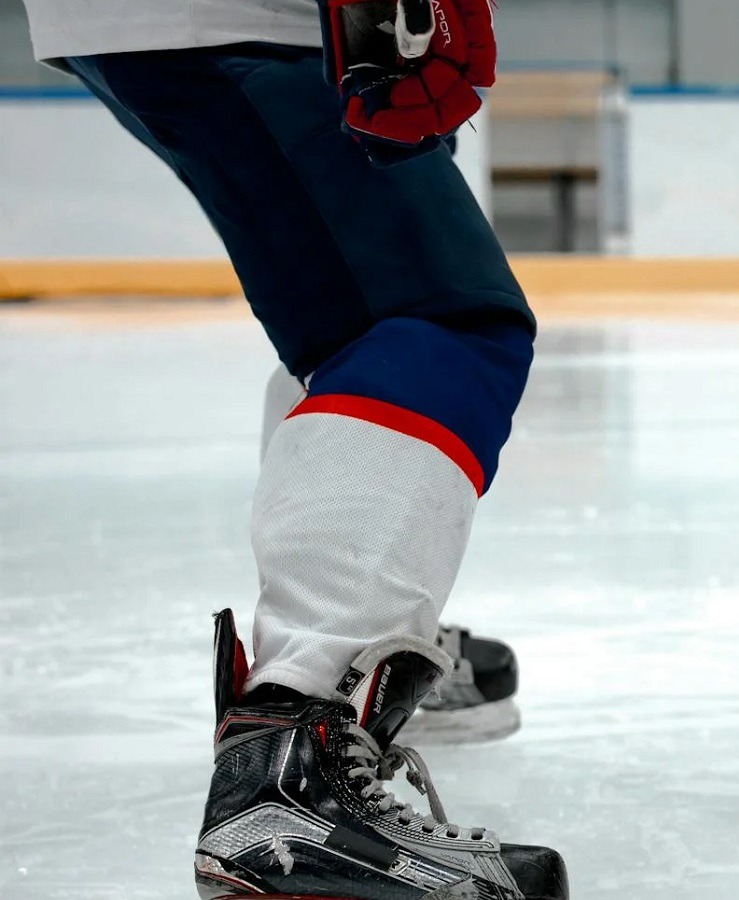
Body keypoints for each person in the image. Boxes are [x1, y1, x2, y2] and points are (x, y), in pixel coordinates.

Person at [19, 0, 566, 896]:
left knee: (351, 322)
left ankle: (362, 648)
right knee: (429, 324)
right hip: (246, 20)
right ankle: (302, 726)